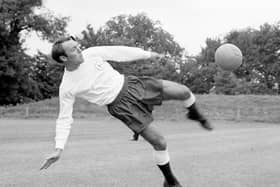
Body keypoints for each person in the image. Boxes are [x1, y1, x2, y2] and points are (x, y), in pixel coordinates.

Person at [40, 36, 213, 187]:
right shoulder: (67, 86)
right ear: (63, 58)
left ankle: (194, 113)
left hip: (132, 84)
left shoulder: (91, 53)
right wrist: (59, 148)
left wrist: (147, 54)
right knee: (160, 142)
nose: (80, 50)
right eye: (74, 50)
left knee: (183, 91)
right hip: (121, 106)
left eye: (78, 46)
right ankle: (171, 182)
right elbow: (64, 118)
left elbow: (120, 52)